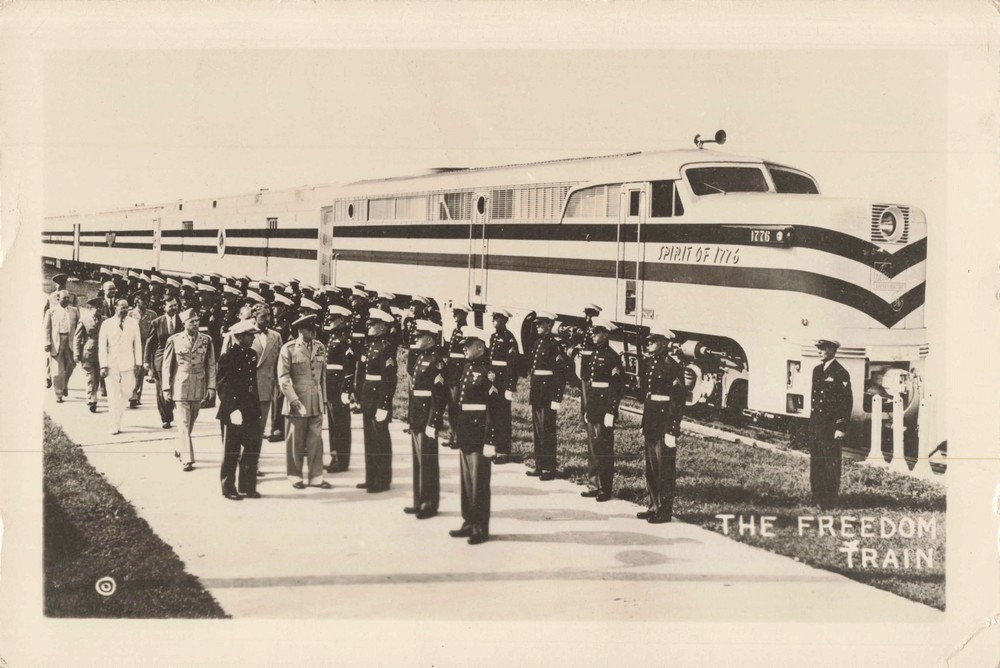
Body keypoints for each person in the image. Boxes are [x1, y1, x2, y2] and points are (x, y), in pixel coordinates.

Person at [448, 326, 498, 545]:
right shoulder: (467, 367)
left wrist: (491, 439)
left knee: (479, 482)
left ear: (480, 346)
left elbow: (494, 409)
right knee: (467, 480)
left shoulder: (489, 372)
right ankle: (468, 521)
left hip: (480, 433)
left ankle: (480, 526)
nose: (464, 349)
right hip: (466, 430)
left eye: (468, 346)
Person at [638, 324, 686, 524]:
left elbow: (677, 401)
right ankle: (653, 505)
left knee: (664, 467)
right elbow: (648, 397)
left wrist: (672, 429)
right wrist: (644, 421)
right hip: (651, 420)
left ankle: (664, 511)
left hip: (664, 421)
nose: (649, 343)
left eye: (654, 340)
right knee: (651, 467)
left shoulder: (672, 366)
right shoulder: (649, 363)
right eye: (649, 340)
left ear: (665, 343)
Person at [278, 313, 329, 489]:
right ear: (301, 330)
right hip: (297, 400)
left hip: (315, 399)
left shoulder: (320, 347)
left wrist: (324, 400)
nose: (314, 331)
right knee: (295, 441)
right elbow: (283, 378)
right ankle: (295, 475)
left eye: (315, 328)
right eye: (310, 328)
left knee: (316, 440)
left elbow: (323, 377)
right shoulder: (289, 348)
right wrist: (293, 400)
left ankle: (316, 477)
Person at [163, 308, 217, 471]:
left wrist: (211, 386)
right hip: (180, 384)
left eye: (197, 321)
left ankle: (181, 447)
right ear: (184, 323)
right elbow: (167, 365)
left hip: (198, 385)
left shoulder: (206, 340)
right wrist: (166, 387)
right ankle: (187, 459)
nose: (195, 324)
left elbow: (211, 365)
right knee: (184, 423)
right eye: (191, 321)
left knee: (191, 420)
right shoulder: (174, 340)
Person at [216, 320, 262, 500]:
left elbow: (252, 385)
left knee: (252, 449)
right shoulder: (227, 357)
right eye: (250, 335)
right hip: (233, 411)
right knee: (231, 451)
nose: (253, 338)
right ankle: (228, 488)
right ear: (240, 336)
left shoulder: (252, 355)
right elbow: (223, 386)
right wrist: (233, 409)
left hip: (250, 409)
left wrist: (255, 409)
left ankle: (248, 486)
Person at [405, 319, 447, 519]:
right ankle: (418, 500)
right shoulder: (420, 357)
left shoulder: (437, 361)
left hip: (427, 416)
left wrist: (434, 421)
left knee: (427, 462)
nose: (416, 339)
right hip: (417, 415)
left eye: (419, 336)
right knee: (418, 462)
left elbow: (439, 396)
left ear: (430, 339)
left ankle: (429, 503)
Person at [580, 318, 624, 502]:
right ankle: (593, 484)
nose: (593, 335)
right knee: (592, 446)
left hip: (605, 405)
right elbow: (585, 377)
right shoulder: (592, 354)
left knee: (604, 447)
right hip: (593, 404)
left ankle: (605, 487)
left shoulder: (612, 356)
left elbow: (616, 387)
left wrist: (611, 411)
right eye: (592, 332)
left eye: (597, 332)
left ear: (606, 334)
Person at [355, 308, 397, 493]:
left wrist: (384, 404)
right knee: (369, 440)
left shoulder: (386, 348)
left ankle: (382, 479)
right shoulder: (369, 345)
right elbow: (362, 373)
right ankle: (371, 477)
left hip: (378, 398)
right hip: (368, 398)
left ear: (382, 327)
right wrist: (358, 395)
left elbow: (389, 379)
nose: (368, 326)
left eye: (372, 324)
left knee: (380, 440)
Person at [808, 339, 853, 509]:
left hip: (831, 427)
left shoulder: (841, 373)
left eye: (823, 348)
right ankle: (816, 498)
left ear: (833, 350)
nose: (819, 351)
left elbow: (845, 402)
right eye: (818, 348)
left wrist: (841, 427)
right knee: (816, 462)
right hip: (817, 425)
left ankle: (829, 501)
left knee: (830, 463)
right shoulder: (817, 370)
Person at [527, 311, 566, 480]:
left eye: (540, 324)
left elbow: (560, 374)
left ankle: (549, 468)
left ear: (550, 325)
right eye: (536, 324)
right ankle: (539, 465)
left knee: (547, 430)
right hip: (537, 391)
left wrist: (557, 397)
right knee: (537, 429)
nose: (537, 327)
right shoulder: (537, 343)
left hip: (548, 392)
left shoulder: (554, 345)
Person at [98, 298, 143, 435]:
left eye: (127, 307)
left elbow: (138, 344)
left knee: (127, 392)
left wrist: (139, 363)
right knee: (113, 396)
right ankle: (115, 424)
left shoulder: (133, 323)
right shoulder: (107, 324)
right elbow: (102, 346)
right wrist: (103, 365)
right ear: (116, 308)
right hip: (112, 365)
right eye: (122, 307)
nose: (125, 310)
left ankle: (118, 414)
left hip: (128, 364)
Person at [249, 303, 282, 485]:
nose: (267, 319)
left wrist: (279, 385)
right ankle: (244, 460)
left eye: (269, 315)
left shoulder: (276, 336)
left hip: (266, 389)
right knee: (247, 428)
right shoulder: (244, 334)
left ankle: (254, 463)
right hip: (247, 390)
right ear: (255, 317)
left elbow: (280, 364)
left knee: (260, 430)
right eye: (263, 316)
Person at [323, 305, 356, 473]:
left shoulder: (346, 339)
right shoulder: (333, 337)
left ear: (342, 319)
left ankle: (342, 460)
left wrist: (347, 389)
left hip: (339, 387)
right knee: (333, 423)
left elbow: (349, 367)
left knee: (341, 423)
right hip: (330, 386)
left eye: (334, 318)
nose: (331, 321)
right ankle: (335, 456)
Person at [144, 296, 184, 429]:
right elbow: (150, 344)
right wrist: (147, 362)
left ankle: (172, 411)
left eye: (175, 305)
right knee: (162, 389)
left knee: (175, 387)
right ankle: (166, 418)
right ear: (164, 307)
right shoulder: (157, 322)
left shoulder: (182, 321)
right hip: (160, 359)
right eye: (171, 306)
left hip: (178, 359)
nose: (174, 308)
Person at [487, 308, 519, 464]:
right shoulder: (493, 337)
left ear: (505, 321)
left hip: (503, 383)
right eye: (494, 317)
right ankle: (495, 448)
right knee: (492, 416)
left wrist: (510, 387)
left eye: (498, 318)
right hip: (493, 383)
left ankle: (504, 451)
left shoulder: (509, 338)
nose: (494, 320)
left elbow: (512, 365)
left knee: (503, 418)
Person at [43, 289, 80, 402]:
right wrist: (47, 342)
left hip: (70, 341)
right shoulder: (51, 311)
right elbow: (47, 328)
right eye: (64, 298)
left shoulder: (74, 311)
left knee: (71, 364)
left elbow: (79, 327)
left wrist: (80, 342)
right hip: (57, 341)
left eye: (68, 298)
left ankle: (64, 384)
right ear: (58, 299)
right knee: (57, 369)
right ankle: (58, 394)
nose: (67, 300)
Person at [442, 303, 470, 448]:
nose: (455, 316)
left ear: (465, 315)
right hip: (451, 371)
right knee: (451, 405)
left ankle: (458, 437)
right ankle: (452, 435)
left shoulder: (466, 331)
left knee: (457, 405)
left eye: (458, 313)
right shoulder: (455, 330)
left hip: (458, 372)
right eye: (454, 313)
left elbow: (465, 356)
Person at [73, 296, 104, 412]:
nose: (99, 309)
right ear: (91, 308)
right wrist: (76, 354)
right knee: (90, 377)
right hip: (88, 353)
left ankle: (91, 395)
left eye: (101, 307)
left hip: (102, 353)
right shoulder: (84, 320)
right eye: (97, 307)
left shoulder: (106, 320)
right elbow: (77, 337)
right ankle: (92, 400)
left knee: (97, 377)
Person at [575, 304, 603, 423]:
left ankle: (589, 415)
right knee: (584, 390)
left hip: (591, 361)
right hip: (584, 362)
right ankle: (585, 415)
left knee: (590, 390)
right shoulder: (586, 328)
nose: (587, 317)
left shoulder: (596, 329)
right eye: (586, 314)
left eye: (590, 315)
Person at [128, 293, 157, 408]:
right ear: (136, 300)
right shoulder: (130, 314)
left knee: (141, 370)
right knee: (133, 368)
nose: (144, 302)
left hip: (146, 344)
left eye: (146, 300)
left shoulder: (152, 314)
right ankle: (132, 394)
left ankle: (136, 395)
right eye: (142, 299)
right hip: (132, 343)